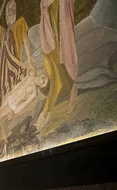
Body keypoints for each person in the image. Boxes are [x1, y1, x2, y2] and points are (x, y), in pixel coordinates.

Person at [36, 0, 78, 128]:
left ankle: (74, 92)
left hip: (59, 31)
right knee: (53, 75)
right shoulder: (44, 5)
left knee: (66, 63)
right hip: (49, 37)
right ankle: (48, 111)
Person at [0, 0, 34, 106]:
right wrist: (2, 4)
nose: (11, 11)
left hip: (15, 60)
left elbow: (25, 41)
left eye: (13, 8)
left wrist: (29, 61)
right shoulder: (3, 31)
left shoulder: (20, 23)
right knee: (6, 87)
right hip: (5, 65)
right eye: (9, 9)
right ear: (5, 14)